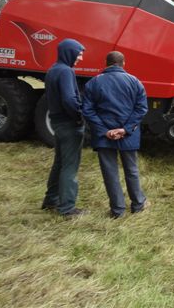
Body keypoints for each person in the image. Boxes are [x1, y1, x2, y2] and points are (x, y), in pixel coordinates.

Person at [82, 51, 149, 219]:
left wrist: (104, 131)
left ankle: (117, 210)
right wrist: (125, 129)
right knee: (132, 170)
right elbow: (141, 109)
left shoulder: (93, 83)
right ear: (123, 63)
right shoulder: (135, 82)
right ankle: (138, 204)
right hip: (129, 135)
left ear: (106, 63)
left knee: (110, 172)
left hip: (104, 136)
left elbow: (88, 110)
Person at [41, 38, 87, 217]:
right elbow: (69, 99)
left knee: (59, 163)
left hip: (57, 123)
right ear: (69, 52)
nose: (80, 58)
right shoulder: (66, 71)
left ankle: (50, 201)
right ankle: (67, 208)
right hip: (69, 125)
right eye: (79, 54)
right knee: (70, 166)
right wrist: (78, 116)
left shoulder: (53, 70)